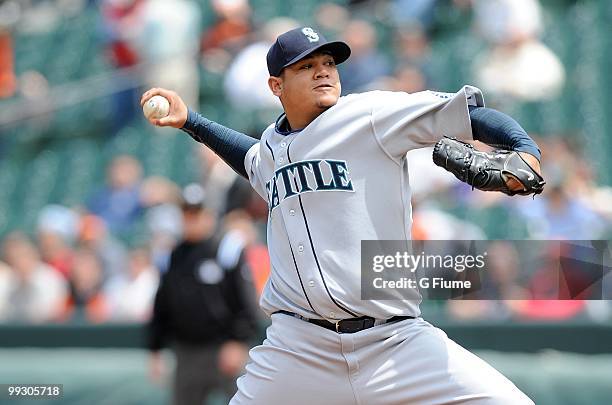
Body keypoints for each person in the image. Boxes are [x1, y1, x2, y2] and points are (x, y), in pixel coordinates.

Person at [142, 26, 541, 404]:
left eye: (329, 64)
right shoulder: (270, 148)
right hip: (298, 349)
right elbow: (251, 159)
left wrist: (525, 148)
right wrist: (190, 122)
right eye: (306, 66)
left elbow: (466, 112)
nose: (323, 73)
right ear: (276, 86)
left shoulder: (370, 113)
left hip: (394, 341)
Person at [148, 183, 258, 405]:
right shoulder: (173, 256)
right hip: (186, 351)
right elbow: (162, 306)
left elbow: (245, 301)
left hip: (222, 348)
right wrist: (156, 347)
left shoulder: (227, 249)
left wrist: (238, 340)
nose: (191, 218)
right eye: (186, 212)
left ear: (209, 214)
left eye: (196, 212)